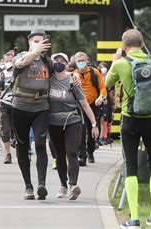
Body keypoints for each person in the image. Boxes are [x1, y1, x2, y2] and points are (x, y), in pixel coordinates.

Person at [105, 29, 151, 228]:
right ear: (142, 42)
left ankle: (135, 218)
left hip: (130, 118)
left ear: (124, 46)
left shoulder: (121, 63)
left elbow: (107, 82)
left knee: (131, 166)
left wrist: (115, 60)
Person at [48, 53, 99, 200]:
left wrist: (94, 124)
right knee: (59, 155)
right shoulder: (48, 81)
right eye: (55, 60)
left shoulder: (72, 80)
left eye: (62, 60)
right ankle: (63, 185)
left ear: (67, 63)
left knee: (71, 152)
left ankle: (73, 185)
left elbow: (84, 103)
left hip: (72, 120)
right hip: (53, 122)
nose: (58, 62)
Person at [12, 29, 52, 200]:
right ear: (29, 41)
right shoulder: (20, 55)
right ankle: (28, 185)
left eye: (42, 41)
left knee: (40, 144)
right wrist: (34, 51)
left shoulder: (46, 61)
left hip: (40, 107)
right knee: (22, 146)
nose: (39, 43)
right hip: (20, 106)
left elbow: (59, 77)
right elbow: (19, 64)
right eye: (36, 41)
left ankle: (41, 184)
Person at [74, 52, 107, 165]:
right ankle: (82, 156)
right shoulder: (74, 74)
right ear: (75, 62)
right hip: (80, 105)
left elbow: (102, 87)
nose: (81, 63)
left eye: (83, 60)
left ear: (87, 60)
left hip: (94, 105)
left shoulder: (94, 72)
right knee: (81, 130)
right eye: (78, 61)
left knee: (93, 129)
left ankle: (91, 151)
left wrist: (100, 97)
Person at [0, 49, 15, 164]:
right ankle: (8, 154)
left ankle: (22, 151)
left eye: (12, 59)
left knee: (20, 130)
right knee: (5, 131)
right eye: (7, 60)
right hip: (5, 104)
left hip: (19, 105)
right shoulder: (0, 75)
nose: (9, 62)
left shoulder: (20, 73)